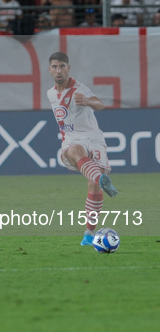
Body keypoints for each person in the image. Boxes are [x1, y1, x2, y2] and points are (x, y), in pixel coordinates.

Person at [46, 52, 117, 247]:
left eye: (62, 66)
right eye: (54, 67)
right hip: (72, 140)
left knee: (93, 188)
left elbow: (100, 105)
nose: (58, 70)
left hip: (94, 139)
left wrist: (88, 102)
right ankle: (100, 177)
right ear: (49, 70)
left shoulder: (79, 89)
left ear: (68, 68)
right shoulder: (50, 93)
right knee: (75, 150)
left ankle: (88, 234)